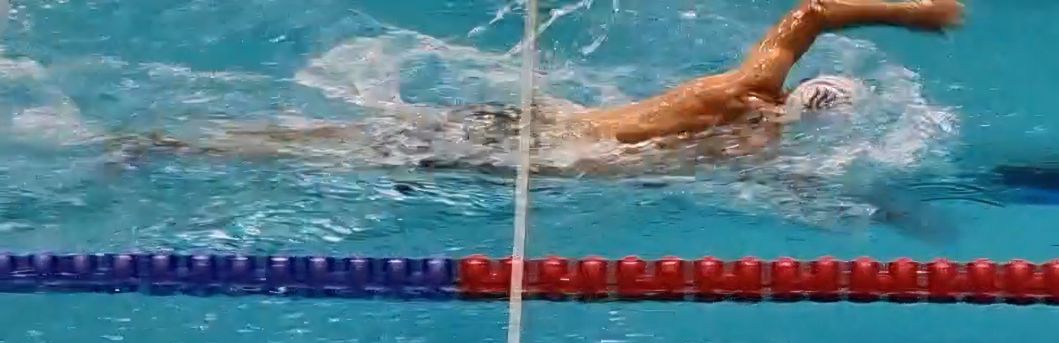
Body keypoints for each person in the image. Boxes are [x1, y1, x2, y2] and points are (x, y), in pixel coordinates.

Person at [113, 0, 963, 173]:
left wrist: (911, 11)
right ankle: (177, 144)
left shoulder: (749, 84)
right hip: (544, 154)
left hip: (547, 122)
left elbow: (809, 12)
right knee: (348, 154)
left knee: (355, 139)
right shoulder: (753, 147)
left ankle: (180, 140)